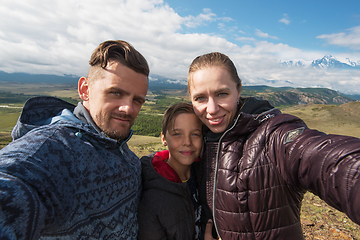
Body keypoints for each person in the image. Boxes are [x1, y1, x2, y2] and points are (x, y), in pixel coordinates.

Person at [187, 52, 360, 240]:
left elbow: (327, 160)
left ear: (238, 90)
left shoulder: (272, 136)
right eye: (200, 98)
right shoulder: (197, 144)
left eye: (222, 94)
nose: (212, 109)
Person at [0, 40, 149, 239]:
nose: (128, 108)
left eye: (137, 100)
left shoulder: (125, 154)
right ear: (85, 90)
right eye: (116, 93)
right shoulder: (51, 150)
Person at [138, 102, 203, 240]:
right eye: (177, 134)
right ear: (163, 139)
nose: (187, 142)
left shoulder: (205, 175)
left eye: (195, 134)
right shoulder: (152, 197)